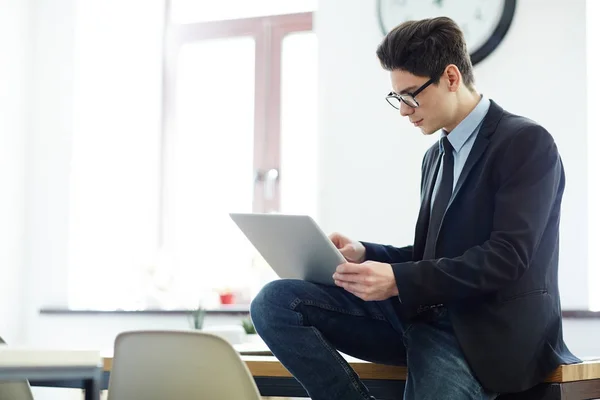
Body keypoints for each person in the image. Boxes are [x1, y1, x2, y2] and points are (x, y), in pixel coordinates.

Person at [249, 16, 580, 400]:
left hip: (483, 332)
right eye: (398, 98)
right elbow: (432, 257)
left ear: (451, 78)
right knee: (275, 302)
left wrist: (398, 280)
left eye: (411, 95)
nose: (404, 111)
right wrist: (366, 253)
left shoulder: (525, 143)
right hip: (420, 316)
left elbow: (506, 258)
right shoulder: (435, 158)